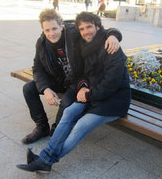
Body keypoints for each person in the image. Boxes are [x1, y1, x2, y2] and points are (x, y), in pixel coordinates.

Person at [16, 11, 131, 173]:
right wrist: (83, 86)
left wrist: (113, 35)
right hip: (94, 95)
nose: (85, 32)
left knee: (80, 125)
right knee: (69, 111)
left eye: (89, 27)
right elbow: (83, 72)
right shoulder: (85, 46)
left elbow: (111, 85)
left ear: (98, 26)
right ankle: (44, 156)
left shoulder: (111, 47)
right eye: (82, 29)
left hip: (114, 101)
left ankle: (46, 159)